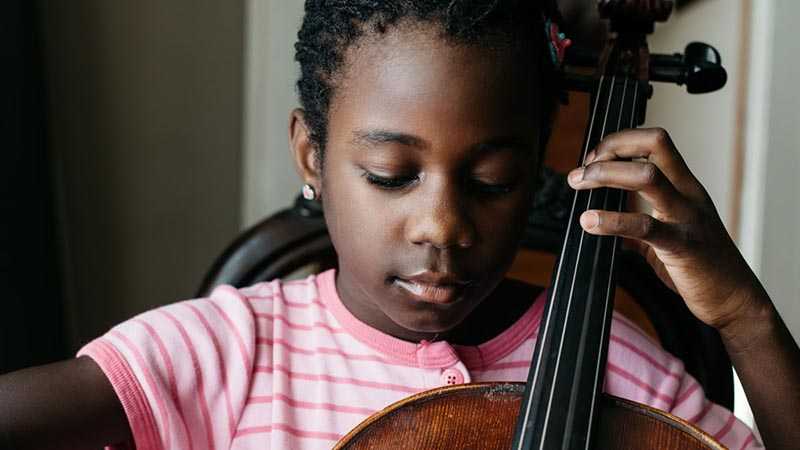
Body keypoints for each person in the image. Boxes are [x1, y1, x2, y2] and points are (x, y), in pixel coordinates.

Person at [1, 1, 798, 449]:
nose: (443, 225)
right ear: (311, 156)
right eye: (391, 176)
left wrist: (745, 316)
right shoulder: (231, 354)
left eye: (493, 182)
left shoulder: (625, 379)